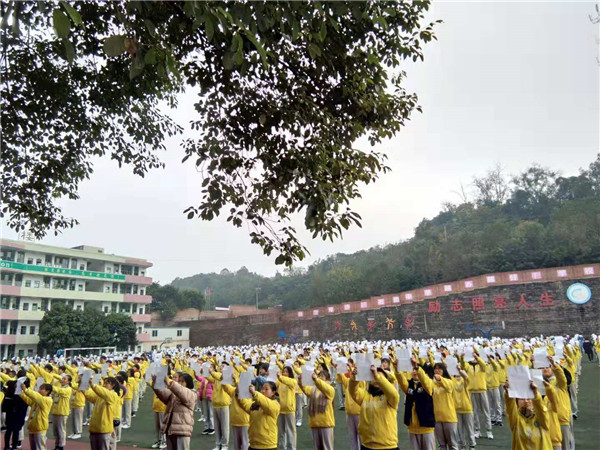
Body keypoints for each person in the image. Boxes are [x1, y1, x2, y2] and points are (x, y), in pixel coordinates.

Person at [349, 364, 399, 450]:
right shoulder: (365, 396)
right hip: (367, 445)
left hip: (387, 446)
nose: (375, 378)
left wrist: (377, 375)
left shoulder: (390, 398)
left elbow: (393, 393)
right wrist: (354, 377)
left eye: (380, 376)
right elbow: (353, 391)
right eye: (373, 376)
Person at [396, 357, 435, 450]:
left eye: (416, 370)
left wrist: (417, 367)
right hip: (412, 427)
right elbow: (401, 382)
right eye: (413, 370)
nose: (414, 372)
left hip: (426, 427)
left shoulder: (428, 384)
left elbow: (425, 381)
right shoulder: (409, 384)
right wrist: (397, 369)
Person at [152, 371, 196, 450]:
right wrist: (156, 383)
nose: (180, 383)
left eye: (183, 381)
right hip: (171, 429)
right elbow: (163, 393)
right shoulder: (174, 393)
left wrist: (169, 383)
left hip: (182, 431)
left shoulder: (192, 393)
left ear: (188, 383)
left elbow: (182, 392)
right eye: (179, 381)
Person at [504, 380, 552, 449]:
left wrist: (535, 393)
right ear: (517, 402)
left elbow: (541, 409)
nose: (526, 401)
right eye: (522, 399)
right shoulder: (516, 419)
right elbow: (510, 407)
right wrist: (508, 392)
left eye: (529, 398)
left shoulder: (541, 418)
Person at [235, 381, 280, 450]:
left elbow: (266, 404)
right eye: (262, 389)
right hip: (253, 444)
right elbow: (246, 405)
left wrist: (255, 393)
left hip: (268, 445)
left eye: (266, 389)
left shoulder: (275, 404)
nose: (263, 391)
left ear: (273, 392)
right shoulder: (256, 404)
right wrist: (239, 393)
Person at [299, 366, 335, 450]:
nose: (320, 378)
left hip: (326, 424)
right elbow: (304, 388)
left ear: (327, 379)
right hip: (314, 423)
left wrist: (316, 380)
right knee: (317, 447)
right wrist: (300, 380)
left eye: (322, 376)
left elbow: (324, 387)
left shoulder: (330, 389)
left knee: (327, 447)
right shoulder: (313, 389)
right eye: (319, 376)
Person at [428, 362, 459, 450]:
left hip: (449, 418)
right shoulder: (432, 383)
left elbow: (448, 386)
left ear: (443, 371)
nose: (437, 370)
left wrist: (439, 379)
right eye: (435, 369)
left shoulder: (449, 381)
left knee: (452, 444)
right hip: (437, 417)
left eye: (439, 369)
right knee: (442, 445)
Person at [84, 376, 120, 450]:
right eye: (104, 383)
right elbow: (88, 394)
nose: (104, 385)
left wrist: (93, 385)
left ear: (113, 386)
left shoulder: (113, 395)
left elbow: (104, 392)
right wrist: (82, 385)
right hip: (95, 428)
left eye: (107, 383)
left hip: (104, 429)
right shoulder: (99, 396)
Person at [334, 359, 362, 450]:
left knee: (361, 436)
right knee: (352, 436)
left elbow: (357, 380)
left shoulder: (362, 382)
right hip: (349, 412)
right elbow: (342, 376)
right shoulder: (348, 382)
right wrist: (338, 368)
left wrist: (353, 370)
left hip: (358, 412)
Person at [20, 382, 53, 450]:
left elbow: (36, 396)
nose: (39, 390)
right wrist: (20, 393)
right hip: (33, 426)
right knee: (33, 447)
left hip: (40, 427)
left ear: (47, 391)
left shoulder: (48, 400)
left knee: (40, 447)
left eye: (42, 389)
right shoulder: (39, 400)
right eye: (40, 388)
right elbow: (28, 400)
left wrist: (26, 390)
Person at [208, 362, 232, 450]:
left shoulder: (227, 377)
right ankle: (218, 444)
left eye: (223, 366)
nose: (221, 368)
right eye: (221, 366)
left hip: (224, 404)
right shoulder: (216, 377)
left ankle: (225, 445)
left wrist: (211, 372)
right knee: (217, 427)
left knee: (224, 426)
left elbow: (219, 377)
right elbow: (208, 377)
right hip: (216, 404)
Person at [222, 380, 252, 450]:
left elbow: (246, 404)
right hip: (235, 421)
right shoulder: (234, 391)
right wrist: (223, 379)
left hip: (245, 422)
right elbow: (226, 387)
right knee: (237, 445)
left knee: (245, 445)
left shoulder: (249, 394)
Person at [3, 379, 29, 450]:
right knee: (16, 432)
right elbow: (25, 406)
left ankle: (6, 446)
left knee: (8, 431)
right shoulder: (21, 395)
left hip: (9, 415)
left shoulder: (8, 393)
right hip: (18, 416)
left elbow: (4, 406)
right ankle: (14, 447)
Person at [276, 366, 298, 450]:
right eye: (283, 371)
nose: (285, 373)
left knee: (291, 430)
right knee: (281, 431)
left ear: (290, 373)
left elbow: (287, 381)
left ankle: (292, 447)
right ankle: (282, 447)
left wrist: (280, 377)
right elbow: (273, 385)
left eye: (286, 372)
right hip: (281, 409)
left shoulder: (292, 381)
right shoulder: (280, 381)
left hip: (289, 409)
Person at [50, 373, 72, 450]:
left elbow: (59, 391)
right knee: (56, 431)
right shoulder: (60, 387)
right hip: (56, 411)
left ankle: (61, 446)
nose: (62, 380)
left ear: (68, 382)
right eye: (62, 378)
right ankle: (57, 445)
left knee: (61, 430)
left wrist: (51, 387)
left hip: (62, 412)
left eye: (64, 379)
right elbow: (53, 393)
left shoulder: (68, 389)